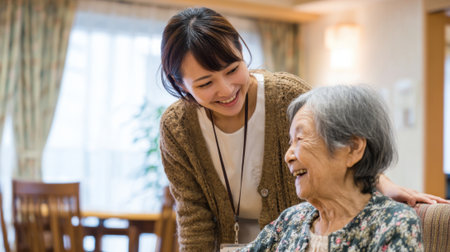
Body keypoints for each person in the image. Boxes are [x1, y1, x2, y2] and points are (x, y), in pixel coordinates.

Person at [159, 7, 445, 251]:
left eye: (233, 69)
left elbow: (339, 138)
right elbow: (193, 215)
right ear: (180, 83)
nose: (226, 90)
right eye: (205, 83)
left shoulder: (288, 96)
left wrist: (385, 185)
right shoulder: (177, 128)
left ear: (241, 50)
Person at [239, 85, 424, 251]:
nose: (288, 156)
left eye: (300, 139)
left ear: (352, 149)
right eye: (290, 142)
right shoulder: (292, 220)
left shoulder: (392, 224)